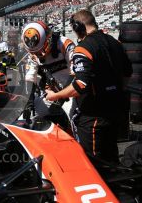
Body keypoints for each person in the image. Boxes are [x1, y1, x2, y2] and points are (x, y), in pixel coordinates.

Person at [45, 10, 132, 163]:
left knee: (92, 163)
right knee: (111, 156)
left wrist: (55, 95)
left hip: (93, 117)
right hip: (116, 111)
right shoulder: (116, 43)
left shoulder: (83, 48)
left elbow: (80, 86)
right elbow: (127, 73)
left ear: (78, 27)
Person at [21, 21, 76, 121]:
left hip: (72, 93)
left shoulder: (65, 45)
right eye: (35, 52)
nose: (38, 54)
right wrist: (28, 102)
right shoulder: (33, 53)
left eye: (40, 50)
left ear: (48, 38)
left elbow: (76, 73)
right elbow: (30, 77)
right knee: (25, 118)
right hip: (52, 92)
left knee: (73, 121)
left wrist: (61, 98)